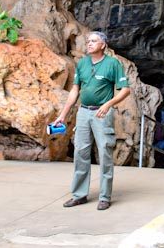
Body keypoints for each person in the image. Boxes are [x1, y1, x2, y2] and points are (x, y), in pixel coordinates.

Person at [54, 31, 130, 210]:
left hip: (102, 114)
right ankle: (79, 195)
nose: (89, 44)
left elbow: (125, 89)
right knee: (80, 152)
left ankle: (105, 196)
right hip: (83, 112)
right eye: (88, 41)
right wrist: (63, 115)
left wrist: (108, 104)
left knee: (104, 152)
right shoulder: (82, 64)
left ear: (103, 45)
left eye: (94, 41)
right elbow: (74, 91)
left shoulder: (112, 64)